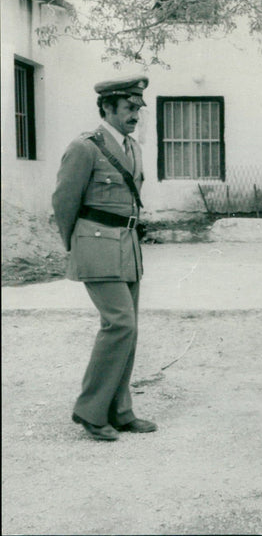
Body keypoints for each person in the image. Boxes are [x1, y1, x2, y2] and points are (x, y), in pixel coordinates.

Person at [52, 75, 157, 442]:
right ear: (108, 108)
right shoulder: (85, 147)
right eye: (128, 109)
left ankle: (121, 411)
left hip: (127, 246)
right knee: (120, 325)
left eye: (138, 109)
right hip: (96, 245)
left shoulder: (132, 147)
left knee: (130, 329)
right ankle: (90, 411)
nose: (135, 116)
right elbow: (64, 202)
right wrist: (76, 245)